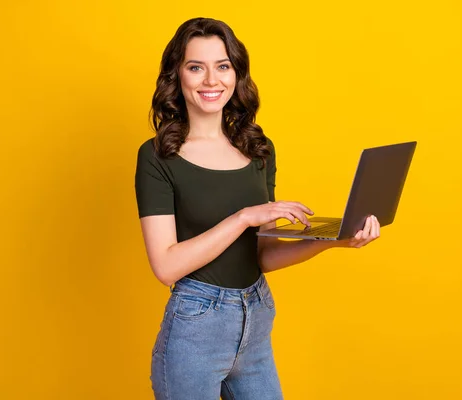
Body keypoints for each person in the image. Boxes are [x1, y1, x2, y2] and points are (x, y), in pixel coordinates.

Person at [135, 17, 380, 400]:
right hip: (196, 327)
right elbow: (165, 265)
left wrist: (333, 240)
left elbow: (261, 254)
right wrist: (244, 217)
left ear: (236, 74)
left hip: (256, 317)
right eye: (196, 67)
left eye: (223, 66)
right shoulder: (157, 157)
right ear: (176, 76)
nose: (211, 80)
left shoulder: (258, 150)